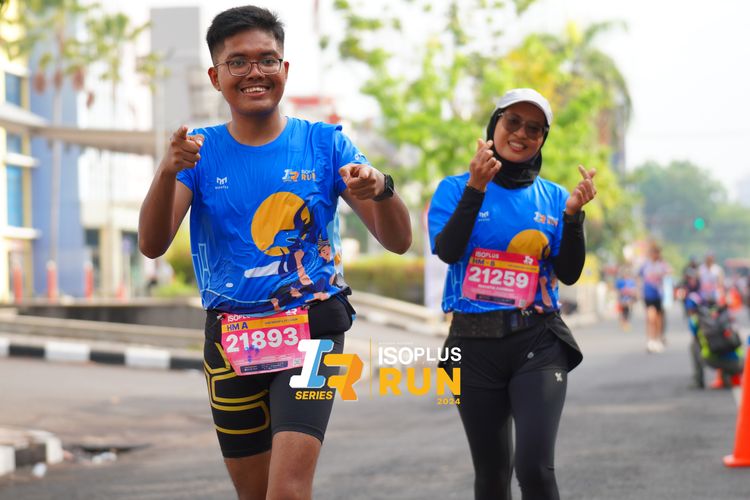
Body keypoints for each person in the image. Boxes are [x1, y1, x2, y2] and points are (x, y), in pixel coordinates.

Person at [138, 6, 411, 500]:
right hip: (231, 339)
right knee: (255, 494)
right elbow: (152, 244)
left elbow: (398, 241)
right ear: (216, 77)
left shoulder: (326, 144)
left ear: (284, 69)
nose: (255, 72)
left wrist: (382, 188)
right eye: (238, 62)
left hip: (313, 329)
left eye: (267, 60)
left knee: (286, 490)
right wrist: (166, 172)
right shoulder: (198, 153)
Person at [428, 88, 595, 500]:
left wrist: (573, 218)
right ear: (495, 125)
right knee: (491, 474)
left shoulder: (556, 198)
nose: (521, 134)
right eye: (513, 122)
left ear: (543, 139)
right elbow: (448, 251)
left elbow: (569, 273)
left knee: (535, 469)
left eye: (534, 129)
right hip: (471, 346)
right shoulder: (454, 188)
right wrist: (476, 188)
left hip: (538, 342)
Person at [638, 243, 671, 353]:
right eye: (653, 253)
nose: (655, 255)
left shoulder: (662, 264)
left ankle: (657, 339)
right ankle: (650, 340)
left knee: (658, 319)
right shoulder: (645, 265)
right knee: (650, 317)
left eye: (657, 253)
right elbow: (638, 275)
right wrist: (638, 290)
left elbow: (669, 271)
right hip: (648, 295)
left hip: (658, 295)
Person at [614, 265, 637, 331]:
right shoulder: (620, 281)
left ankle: (626, 322)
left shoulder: (631, 281)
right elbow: (617, 290)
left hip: (629, 299)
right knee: (623, 311)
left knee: (628, 311)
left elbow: (634, 290)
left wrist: (633, 296)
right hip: (622, 299)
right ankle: (624, 322)